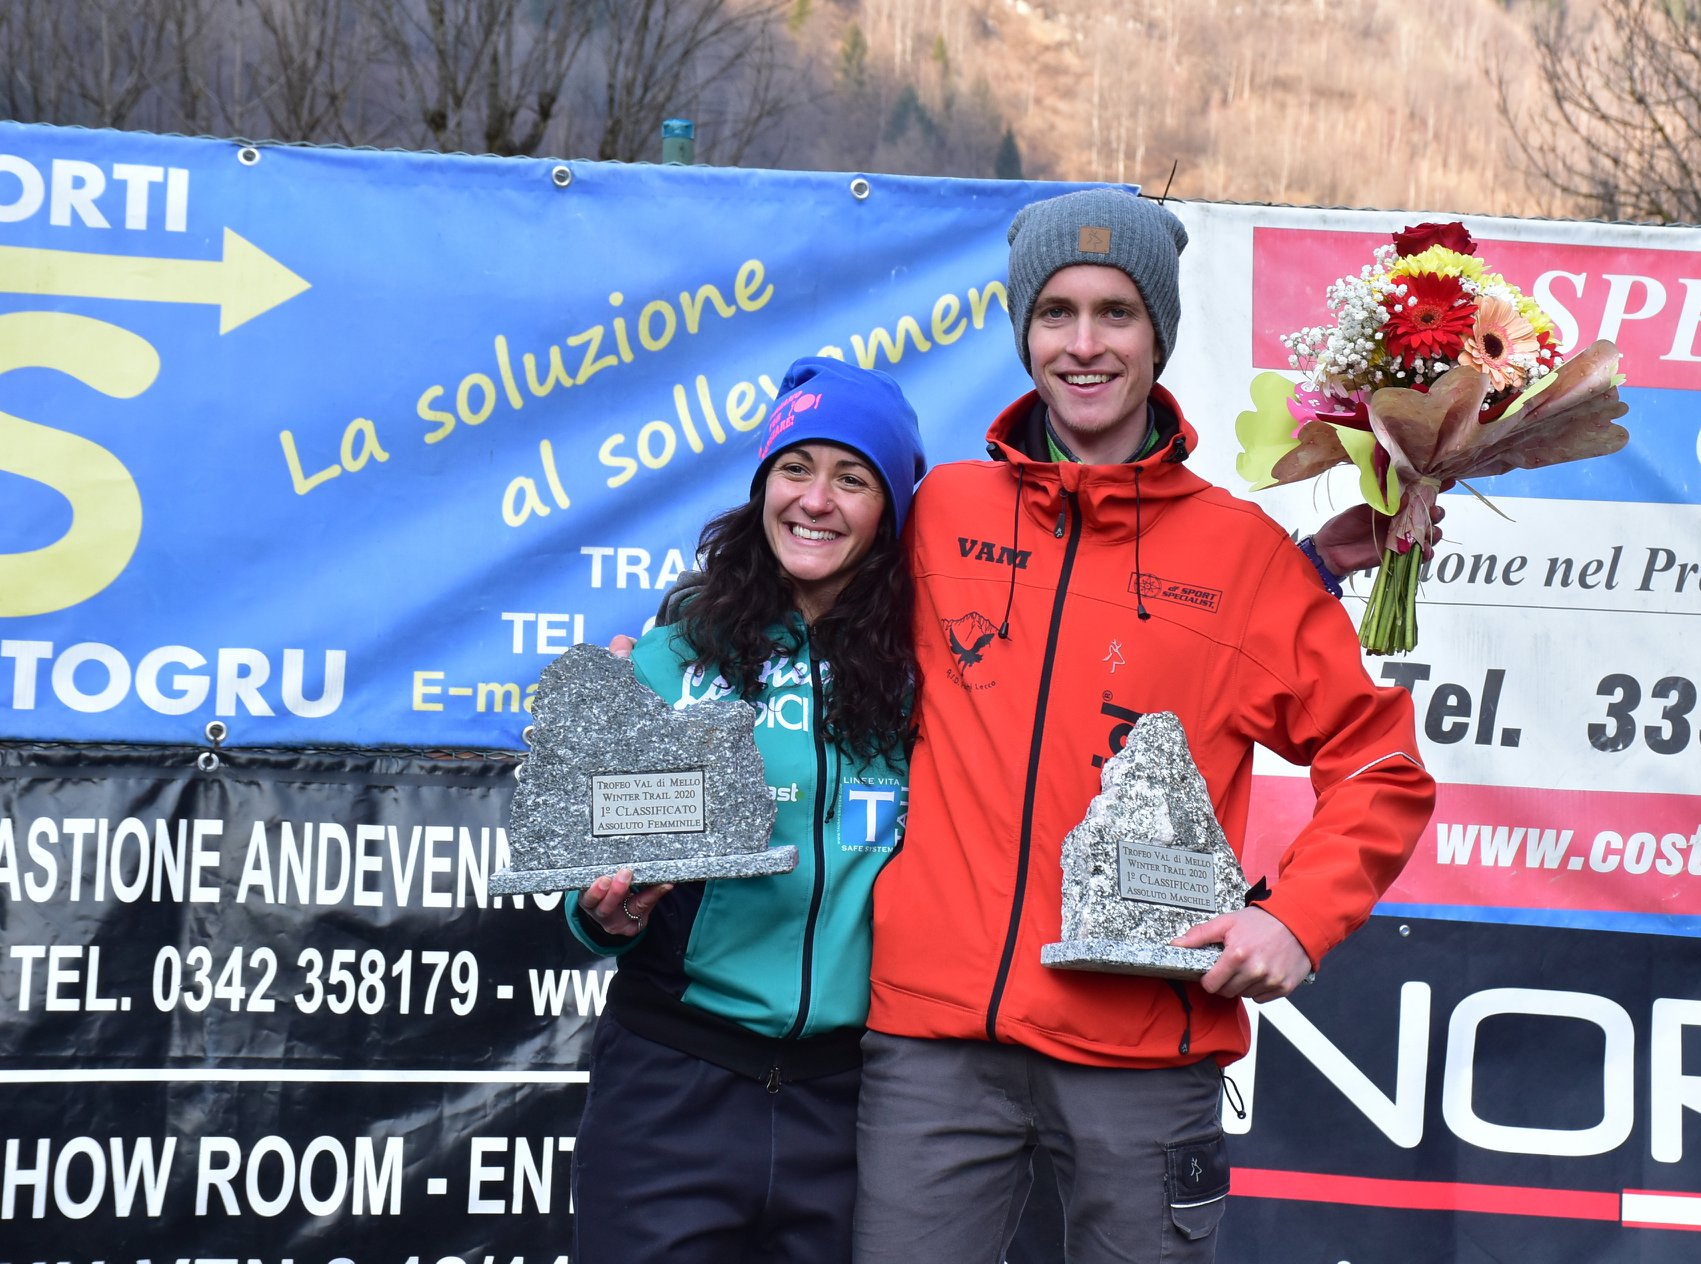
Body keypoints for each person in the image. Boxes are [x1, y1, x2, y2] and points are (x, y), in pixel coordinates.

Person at [853, 188, 1437, 1262]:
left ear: (1156, 334)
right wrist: (671, 659)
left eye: (1115, 313)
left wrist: (1295, 919)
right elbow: (801, 616)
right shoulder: (940, 516)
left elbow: (1379, 766)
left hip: (1140, 1054)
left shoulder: (1242, 558)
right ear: (1022, 330)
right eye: (1056, 312)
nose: (1083, 344)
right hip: (933, 1046)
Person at [563, 356, 926, 1264]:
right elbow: (593, 871)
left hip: (850, 1102)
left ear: (890, 513)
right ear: (762, 485)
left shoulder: (932, 674)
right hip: (673, 1086)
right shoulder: (673, 656)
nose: (816, 500)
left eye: (854, 478)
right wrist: (600, 911)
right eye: (795, 469)